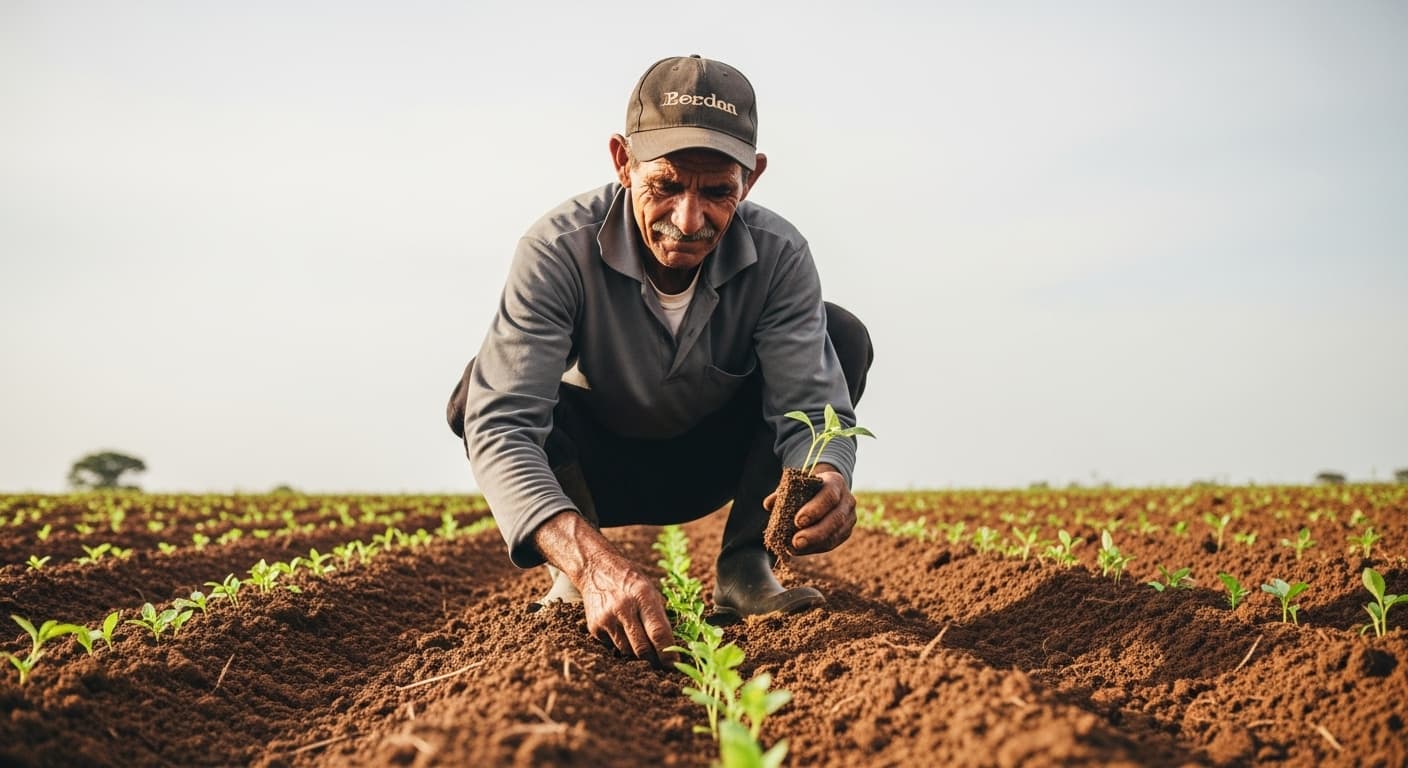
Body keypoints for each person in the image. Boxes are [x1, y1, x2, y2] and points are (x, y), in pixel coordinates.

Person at [446, 55, 873, 667]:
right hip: (597, 472)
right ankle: (574, 581)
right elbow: (504, 423)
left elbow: (811, 405)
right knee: (481, 391)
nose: (689, 220)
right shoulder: (559, 249)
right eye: (667, 185)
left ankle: (746, 566)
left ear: (750, 179)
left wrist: (829, 473)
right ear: (623, 161)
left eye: (718, 191)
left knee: (843, 336)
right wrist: (594, 564)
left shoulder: (779, 256)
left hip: (710, 464)